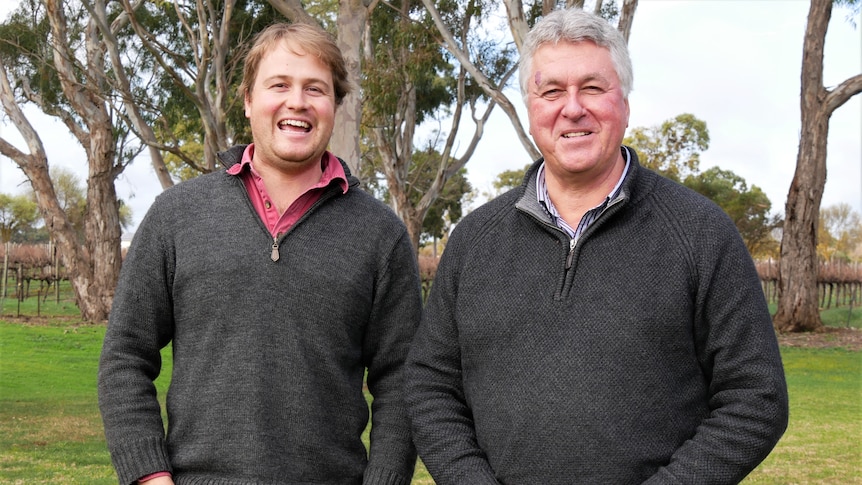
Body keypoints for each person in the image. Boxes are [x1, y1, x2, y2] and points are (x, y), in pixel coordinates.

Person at [404, 8, 788, 485]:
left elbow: (756, 398)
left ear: (624, 102)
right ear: (530, 108)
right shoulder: (474, 240)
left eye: (592, 87)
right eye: (551, 91)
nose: (572, 108)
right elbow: (430, 384)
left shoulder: (701, 233)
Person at [98, 22, 422, 485]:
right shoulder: (177, 214)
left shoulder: (380, 234)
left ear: (334, 105)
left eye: (316, 88)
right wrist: (149, 475)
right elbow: (126, 355)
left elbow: (401, 380)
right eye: (280, 85)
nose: (298, 102)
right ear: (248, 100)